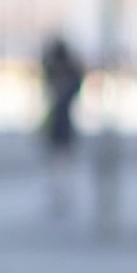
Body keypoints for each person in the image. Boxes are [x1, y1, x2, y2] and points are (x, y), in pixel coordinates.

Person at [40, 36, 84, 215]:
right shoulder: (60, 70)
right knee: (61, 160)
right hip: (61, 123)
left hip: (62, 123)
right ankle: (60, 193)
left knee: (60, 160)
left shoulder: (64, 72)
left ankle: (61, 193)